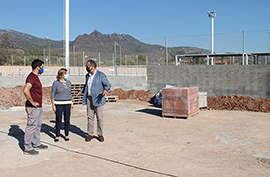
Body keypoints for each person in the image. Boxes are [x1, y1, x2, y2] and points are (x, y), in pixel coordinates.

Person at [76, 60, 111, 142]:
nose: (86, 67)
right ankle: (90, 134)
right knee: (90, 117)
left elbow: (108, 85)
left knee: (99, 117)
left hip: (98, 99)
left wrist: (105, 90)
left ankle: (100, 134)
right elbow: (87, 85)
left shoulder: (100, 75)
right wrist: (81, 91)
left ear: (92, 66)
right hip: (89, 99)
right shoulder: (87, 76)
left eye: (88, 66)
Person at [23, 59, 48, 155]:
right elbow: (26, 90)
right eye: (42, 67)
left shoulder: (36, 77)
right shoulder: (31, 77)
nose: (43, 68)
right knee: (31, 126)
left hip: (39, 107)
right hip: (33, 107)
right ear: (37, 67)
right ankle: (27, 148)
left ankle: (36, 143)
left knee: (37, 126)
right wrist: (32, 102)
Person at [51, 68, 73, 142]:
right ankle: (57, 135)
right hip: (58, 103)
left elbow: (70, 93)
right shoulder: (56, 83)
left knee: (67, 119)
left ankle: (66, 134)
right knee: (58, 120)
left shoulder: (69, 82)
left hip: (67, 103)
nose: (67, 75)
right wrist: (53, 104)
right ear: (62, 74)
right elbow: (52, 93)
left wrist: (71, 102)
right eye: (66, 73)